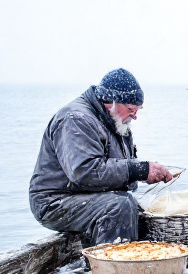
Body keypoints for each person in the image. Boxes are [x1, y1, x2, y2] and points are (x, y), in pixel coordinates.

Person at [29, 68, 173, 247]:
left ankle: (138, 259)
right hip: (54, 201)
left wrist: (145, 173)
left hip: (88, 195)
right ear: (111, 101)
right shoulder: (76, 119)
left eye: (138, 110)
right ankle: (112, 269)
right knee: (119, 206)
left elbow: (120, 167)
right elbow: (84, 172)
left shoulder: (116, 121)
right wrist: (139, 170)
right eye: (130, 109)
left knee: (143, 210)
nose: (135, 116)